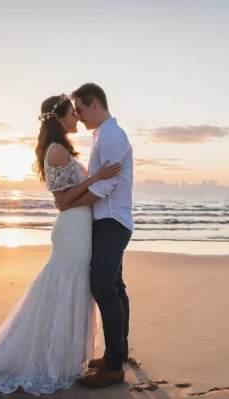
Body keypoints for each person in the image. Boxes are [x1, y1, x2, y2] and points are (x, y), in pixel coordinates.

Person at [0, 94, 121, 395]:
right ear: (60, 118)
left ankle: (63, 358)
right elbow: (63, 200)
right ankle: (51, 359)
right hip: (72, 231)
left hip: (77, 229)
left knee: (70, 287)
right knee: (67, 286)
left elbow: (64, 198)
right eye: (72, 114)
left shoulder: (58, 149)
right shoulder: (57, 152)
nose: (77, 118)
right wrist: (98, 178)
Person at [54, 83, 134, 388]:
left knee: (102, 286)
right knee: (114, 284)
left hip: (112, 220)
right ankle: (119, 351)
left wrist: (70, 203)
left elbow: (105, 187)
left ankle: (114, 367)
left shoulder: (112, 136)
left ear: (95, 105)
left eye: (81, 110)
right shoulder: (103, 135)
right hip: (108, 220)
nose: (79, 116)